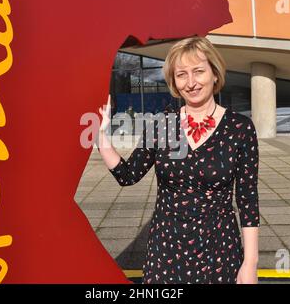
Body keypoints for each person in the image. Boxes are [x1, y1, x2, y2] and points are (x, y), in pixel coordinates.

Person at [97, 36, 260, 284]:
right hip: (166, 254)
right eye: (182, 74)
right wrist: (100, 135)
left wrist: (250, 263)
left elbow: (247, 201)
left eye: (198, 71)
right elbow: (128, 175)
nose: (191, 82)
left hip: (219, 252)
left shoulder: (240, 128)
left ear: (215, 74)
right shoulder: (162, 124)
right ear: (174, 81)